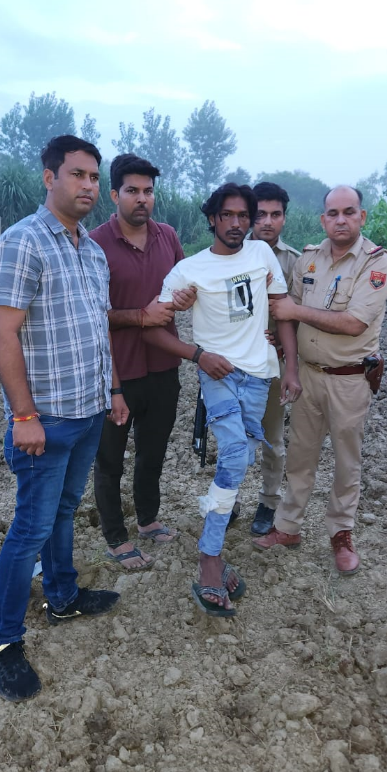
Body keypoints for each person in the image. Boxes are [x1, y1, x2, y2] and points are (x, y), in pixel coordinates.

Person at [0, 135, 129, 702]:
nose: (88, 186)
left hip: (89, 409)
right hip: (46, 418)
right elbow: (4, 332)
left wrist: (114, 390)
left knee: (64, 510)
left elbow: (99, 330)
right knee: (29, 527)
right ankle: (5, 641)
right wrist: (23, 415)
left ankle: (62, 597)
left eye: (94, 177)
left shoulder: (91, 250)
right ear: (49, 177)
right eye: (77, 174)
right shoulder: (23, 241)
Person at [147, 183, 302, 617]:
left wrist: (289, 367)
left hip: (259, 377)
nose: (236, 223)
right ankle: (210, 558)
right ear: (213, 218)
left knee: (241, 460)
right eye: (227, 215)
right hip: (218, 374)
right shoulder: (189, 270)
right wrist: (198, 355)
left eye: (243, 216)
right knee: (234, 455)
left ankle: (216, 550)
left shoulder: (262, 254)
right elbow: (152, 327)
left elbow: (281, 311)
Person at [252, 185, 387, 573]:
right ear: (323, 220)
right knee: (300, 455)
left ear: (361, 217)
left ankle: (341, 533)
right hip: (308, 375)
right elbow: (286, 316)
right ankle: (288, 527)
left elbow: (353, 323)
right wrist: (289, 365)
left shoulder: (377, 263)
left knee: (347, 461)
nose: (341, 220)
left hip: (349, 379)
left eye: (349, 212)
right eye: (333, 213)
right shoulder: (309, 260)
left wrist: (294, 311)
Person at [90, 154, 196, 570]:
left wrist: (186, 298)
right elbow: (91, 314)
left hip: (163, 366)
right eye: (132, 190)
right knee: (110, 460)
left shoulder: (167, 236)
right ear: (114, 194)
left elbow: (184, 288)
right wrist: (139, 316)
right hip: (116, 373)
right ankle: (116, 538)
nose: (142, 199)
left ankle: (148, 519)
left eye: (148, 191)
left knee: (153, 452)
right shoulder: (95, 244)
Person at [248, 182, 301, 534]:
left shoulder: (294, 262)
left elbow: (297, 315)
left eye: (275, 214)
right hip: (234, 365)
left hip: (274, 363)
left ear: (284, 217)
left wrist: (282, 344)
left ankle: (268, 501)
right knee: (235, 438)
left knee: (272, 438)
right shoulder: (232, 252)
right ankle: (229, 499)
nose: (267, 221)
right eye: (260, 214)